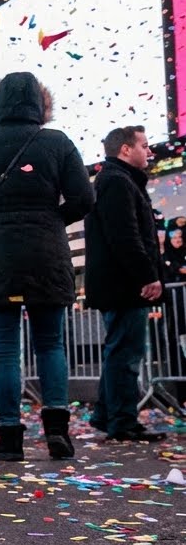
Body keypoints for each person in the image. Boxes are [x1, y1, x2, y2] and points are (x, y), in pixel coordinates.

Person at [0, 71, 93, 462]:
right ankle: (57, 431)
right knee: (50, 344)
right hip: (47, 253)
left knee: (5, 351)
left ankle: (10, 436)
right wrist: (53, 219)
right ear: (41, 105)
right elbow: (84, 197)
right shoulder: (57, 142)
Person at [84, 126, 167, 443]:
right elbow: (126, 236)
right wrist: (147, 275)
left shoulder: (114, 180)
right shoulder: (117, 182)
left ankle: (108, 415)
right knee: (126, 353)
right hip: (124, 285)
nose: (149, 151)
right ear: (124, 150)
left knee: (119, 350)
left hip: (118, 283)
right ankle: (122, 421)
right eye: (144, 146)